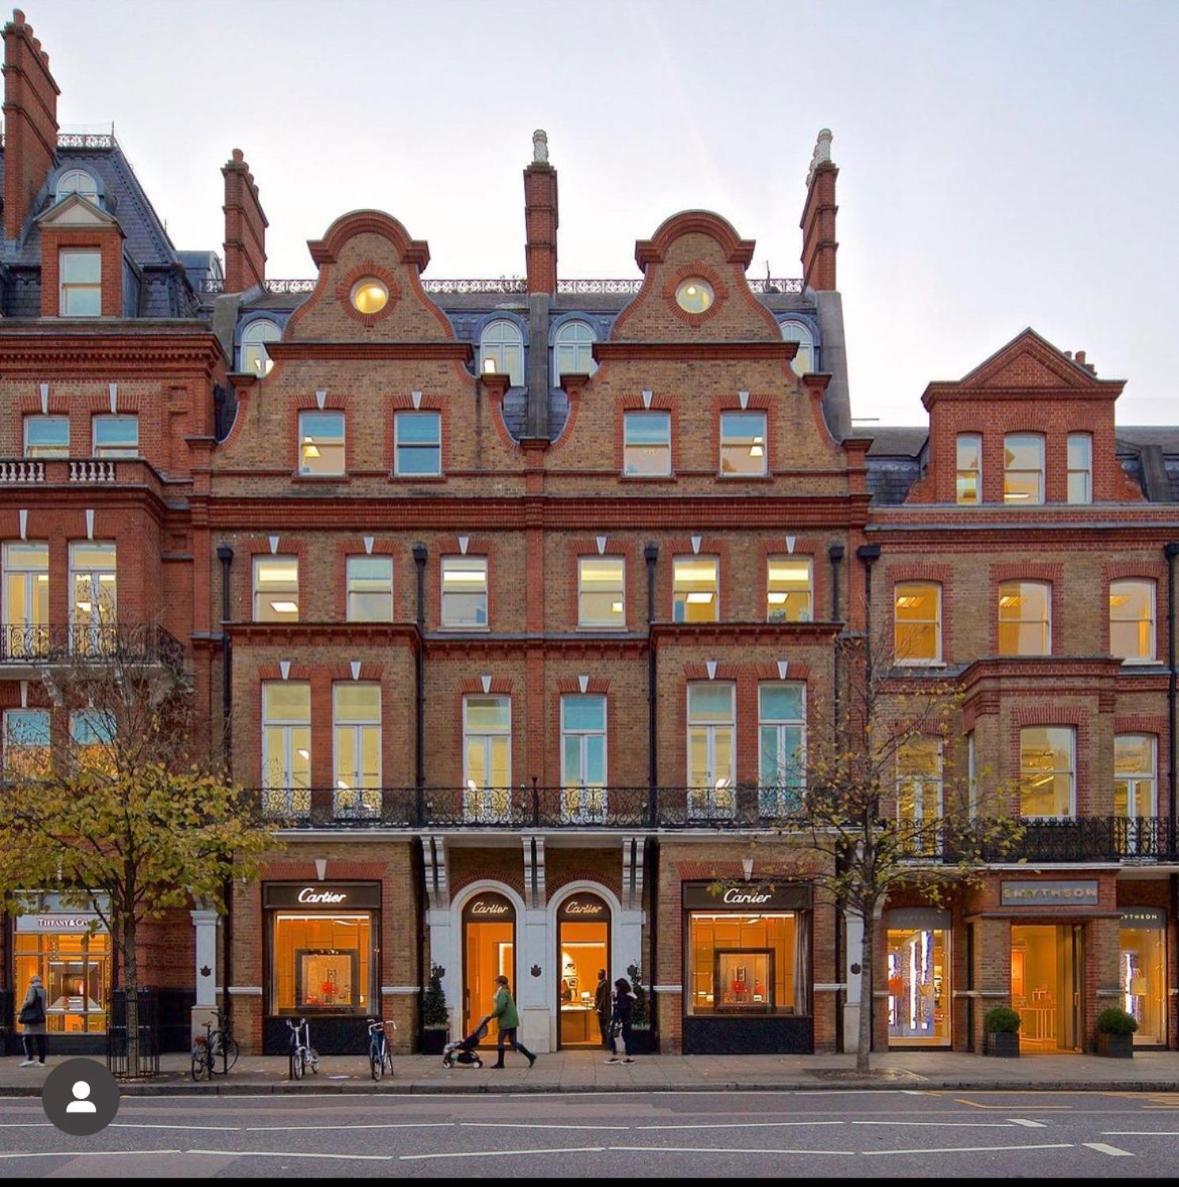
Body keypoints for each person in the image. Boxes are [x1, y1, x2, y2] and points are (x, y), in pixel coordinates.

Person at [490, 974, 536, 1069]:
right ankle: (530, 1056)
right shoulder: (506, 992)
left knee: (500, 1040)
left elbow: (501, 1006)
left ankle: (500, 1063)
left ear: (500, 983)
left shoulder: (502, 992)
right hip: (512, 1020)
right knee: (513, 1041)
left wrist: (493, 1014)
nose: (495, 984)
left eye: (496, 982)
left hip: (506, 1021)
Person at [18, 973, 48, 1067]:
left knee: (27, 1038)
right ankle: (41, 1061)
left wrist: (22, 1007)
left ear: (32, 982)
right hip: (40, 1017)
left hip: (31, 1018)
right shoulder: (43, 990)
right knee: (40, 1039)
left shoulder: (32, 989)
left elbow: (30, 1001)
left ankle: (29, 1058)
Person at [605, 976, 636, 1064]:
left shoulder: (625, 996)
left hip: (621, 1020)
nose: (615, 988)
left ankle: (626, 1057)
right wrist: (614, 998)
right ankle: (622, 1056)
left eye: (617, 986)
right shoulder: (623, 995)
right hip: (623, 1020)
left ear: (620, 987)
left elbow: (622, 1008)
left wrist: (615, 1004)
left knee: (617, 1036)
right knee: (623, 1037)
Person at [593, 969, 611, 1047]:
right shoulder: (601, 983)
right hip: (600, 1008)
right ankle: (604, 1040)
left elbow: (603, 997)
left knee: (603, 1025)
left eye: (599, 974)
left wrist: (599, 1008)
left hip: (603, 1009)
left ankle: (605, 1041)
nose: (598, 975)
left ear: (603, 975)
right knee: (602, 1026)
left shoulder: (604, 984)